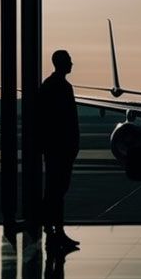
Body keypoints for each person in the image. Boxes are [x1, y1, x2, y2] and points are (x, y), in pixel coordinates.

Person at [39, 49, 80, 250]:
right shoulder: (57, 86)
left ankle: (53, 230)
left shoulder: (52, 85)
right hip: (59, 147)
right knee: (56, 190)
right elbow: (62, 120)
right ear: (61, 63)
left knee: (57, 190)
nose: (72, 63)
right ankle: (54, 231)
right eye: (69, 60)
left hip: (59, 147)